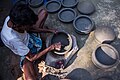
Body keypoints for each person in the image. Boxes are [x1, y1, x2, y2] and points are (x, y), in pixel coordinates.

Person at [0, 1, 61, 80]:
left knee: (44, 12)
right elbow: (31, 58)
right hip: (26, 51)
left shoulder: (12, 18)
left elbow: (30, 29)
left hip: (28, 36)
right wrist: (51, 47)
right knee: (31, 78)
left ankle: (38, 37)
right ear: (19, 26)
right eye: (27, 25)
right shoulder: (13, 39)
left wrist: (50, 31)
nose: (29, 26)